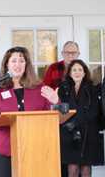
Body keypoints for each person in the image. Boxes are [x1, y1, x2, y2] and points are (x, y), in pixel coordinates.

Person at [0, 46, 59, 177]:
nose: (18, 64)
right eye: (13, 61)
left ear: (27, 64)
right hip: (5, 146)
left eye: (22, 61)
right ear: (7, 64)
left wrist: (56, 101)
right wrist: (3, 117)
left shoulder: (38, 87)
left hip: (34, 146)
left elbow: (53, 116)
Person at [58, 59, 102, 177]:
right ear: (70, 73)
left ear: (84, 73)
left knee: (86, 169)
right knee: (72, 169)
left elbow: (93, 112)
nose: (77, 72)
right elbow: (61, 109)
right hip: (69, 134)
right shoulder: (63, 88)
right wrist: (70, 124)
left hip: (88, 134)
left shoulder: (92, 89)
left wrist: (75, 121)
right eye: (74, 70)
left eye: (80, 70)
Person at [43, 41, 80, 177]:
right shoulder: (53, 68)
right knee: (59, 159)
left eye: (73, 52)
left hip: (77, 117)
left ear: (78, 54)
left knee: (76, 162)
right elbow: (45, 90)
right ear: (62, 53)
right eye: (67, 52)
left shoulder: (81, 68)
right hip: (57, 117)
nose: (70, 55)